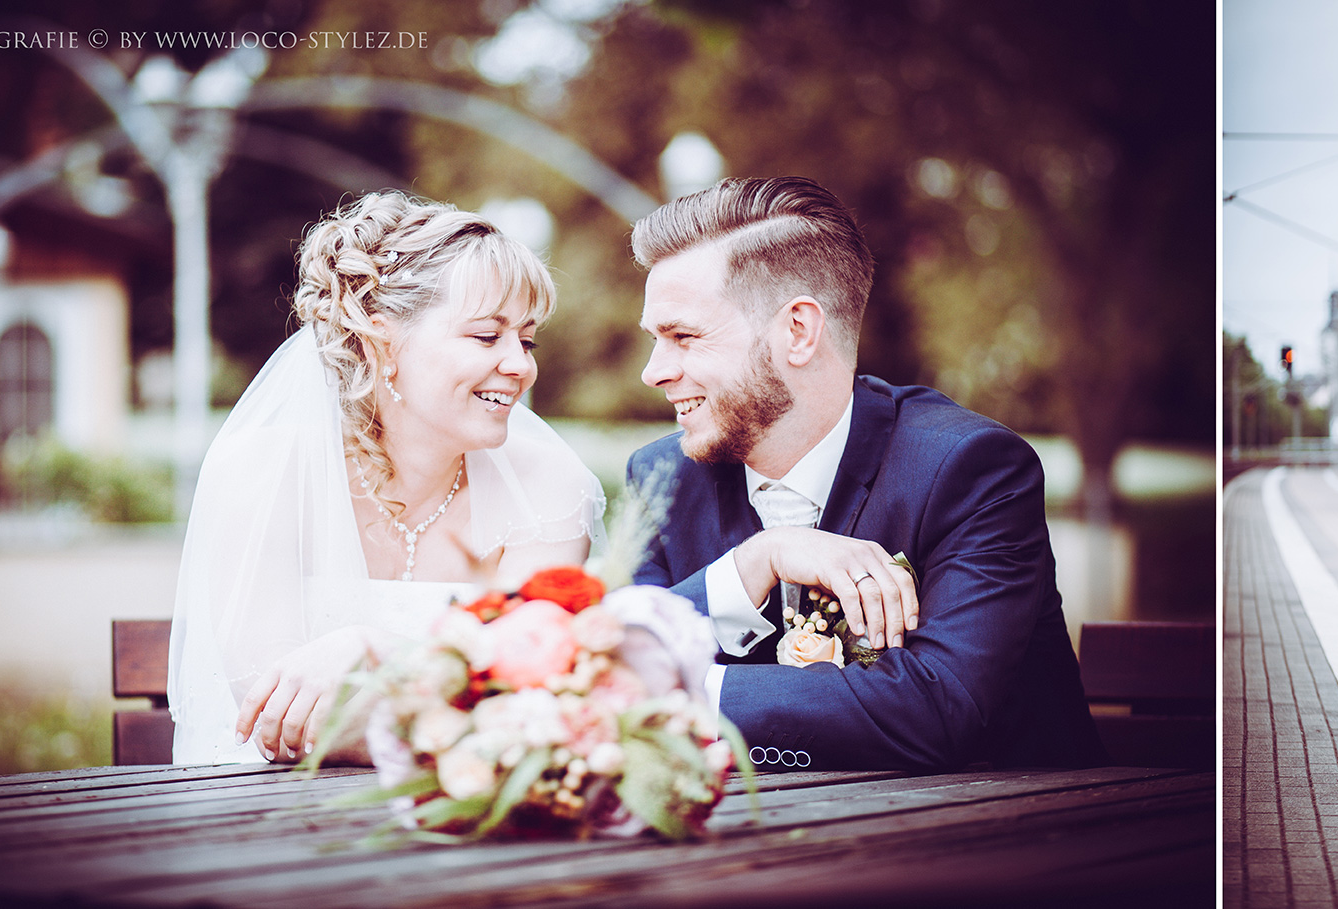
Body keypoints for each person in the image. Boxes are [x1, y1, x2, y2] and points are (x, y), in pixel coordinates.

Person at [623, 176, 1106, 771]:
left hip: (1002, 843)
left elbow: (939, 709)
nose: (653, 372)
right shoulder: (660, 477)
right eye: (655, 339)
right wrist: (757, 561)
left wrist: (684, 689)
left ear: (797, 331)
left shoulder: (970, 470)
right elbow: (613, 656)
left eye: (683, 337)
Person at [168, 191, 604, 764]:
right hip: (267, 811)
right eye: (485, 336)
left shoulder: (547, 486)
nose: (521, 367)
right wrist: (451, 709)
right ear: (382, 342)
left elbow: (523, 706)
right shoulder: (263, 471)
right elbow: (274, 719)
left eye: (526, 340)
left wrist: (374, 649)